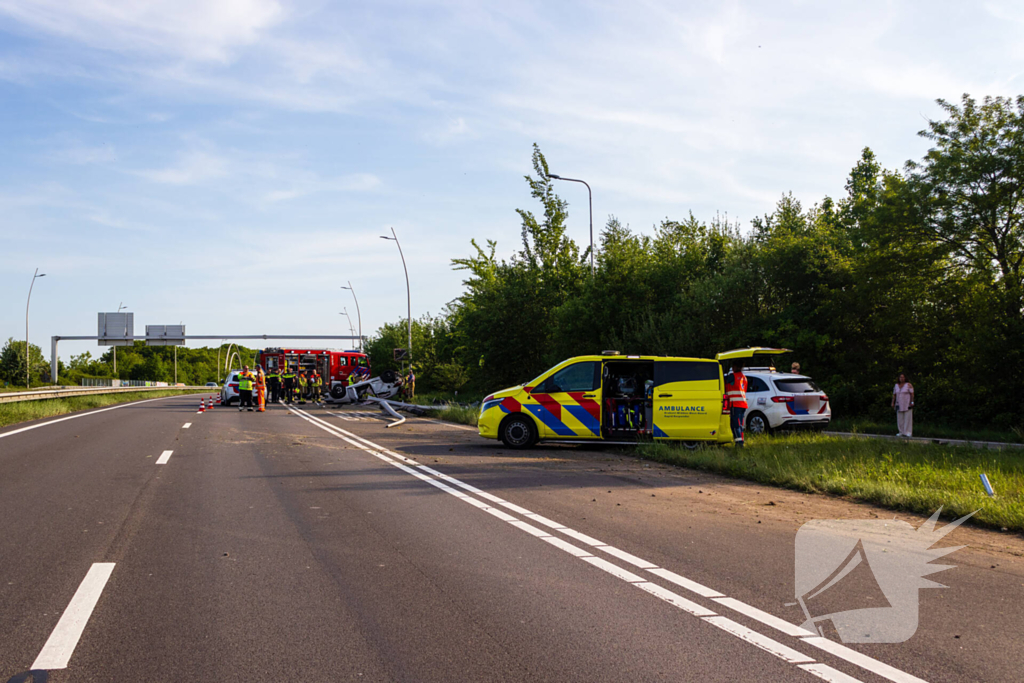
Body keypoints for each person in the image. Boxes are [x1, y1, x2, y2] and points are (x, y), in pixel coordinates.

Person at [723, 361, 748, 447]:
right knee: (740, 424)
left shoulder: (732, 376)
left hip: (735, 404)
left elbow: (723, 380)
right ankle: (741, 441)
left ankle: (739, 443)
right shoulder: (744, 377)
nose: (732, 368)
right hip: (743, 404)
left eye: (733, 366)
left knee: (735, 425)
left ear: (736, 367)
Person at [891, 372, 915, 437]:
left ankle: (908, 432)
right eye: (900, 377)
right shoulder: (896, 385)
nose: (902, 378)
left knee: (907, 418)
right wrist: (892, 402)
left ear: (905, 378)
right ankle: (901, 431)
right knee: (900, 418)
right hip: (899, 403)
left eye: (903, 377)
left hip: (907, 403)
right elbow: (894, 395)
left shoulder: (908, 385)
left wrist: (912, 402)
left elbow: (912, 394)